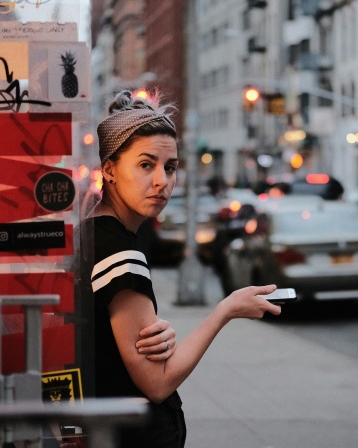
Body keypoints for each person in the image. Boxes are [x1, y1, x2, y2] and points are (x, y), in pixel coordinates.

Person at [83, 90, 282, 448]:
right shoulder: (118, 254)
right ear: (109, 169)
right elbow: (157, 382)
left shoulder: (94, 232)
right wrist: (225, 311)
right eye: (146, 165)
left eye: (170, 167)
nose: (162, 181)